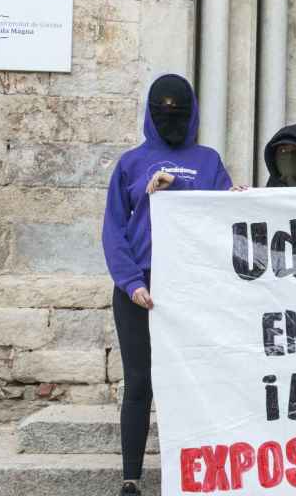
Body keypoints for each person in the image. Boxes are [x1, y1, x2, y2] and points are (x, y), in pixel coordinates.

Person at [102, 74, 234, 496]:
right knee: (139, 382)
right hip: (140, 287)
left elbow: (225, 215)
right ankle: (131, 477)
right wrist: (129, 282)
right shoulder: (130, 163)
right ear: (150, 113)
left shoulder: (209, 161)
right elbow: (113, 231)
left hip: (192, 286)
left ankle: (200, 472)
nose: (170, 118)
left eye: (178, 112)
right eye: (163, 112)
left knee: (196, 378)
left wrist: (185, 185)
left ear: (192, 112)